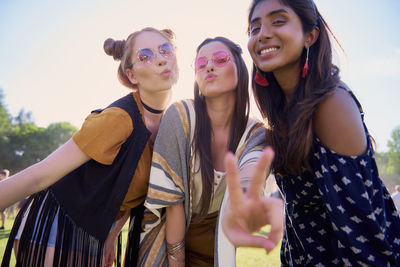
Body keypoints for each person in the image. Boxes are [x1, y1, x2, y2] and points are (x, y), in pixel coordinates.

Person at [222, 0, 400, 266]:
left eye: (278, 21)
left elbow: (363, 238)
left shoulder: (330, 104)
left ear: (310, 35)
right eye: (254, 28)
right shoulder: (285, 111)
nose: (263, 34)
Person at [0, 27, 178, 267]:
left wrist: (111, 236)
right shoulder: (118, 119)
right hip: (57, 223)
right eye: (145, 56)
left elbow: (127, 189)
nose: (160, 59)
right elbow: (39, 176)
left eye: (165, 49)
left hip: (96, 231)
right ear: (132, 75)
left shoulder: (172, 126)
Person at [133, 36, 282, 267]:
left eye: (221, 59)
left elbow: (250, 172)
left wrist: (246, 193)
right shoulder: (180, 116)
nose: (209, 66)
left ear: (240, 70)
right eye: (201, 64)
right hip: (165, 246)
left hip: (215, 250)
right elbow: (173, 203)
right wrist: (177, 262)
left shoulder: (256, 133)